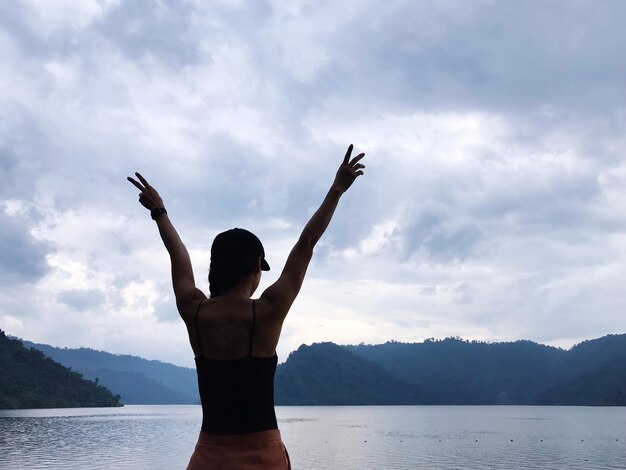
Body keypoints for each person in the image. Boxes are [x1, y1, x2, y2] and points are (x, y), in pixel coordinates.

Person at [127, 144, 365, 469]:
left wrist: (159, 212)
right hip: (262, 455)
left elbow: (178, 253)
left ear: (215, 269)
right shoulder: (267, 311)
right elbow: (306, 244)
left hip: (208, 455)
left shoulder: (195, 311)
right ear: (256, 267)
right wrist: (337, 189)